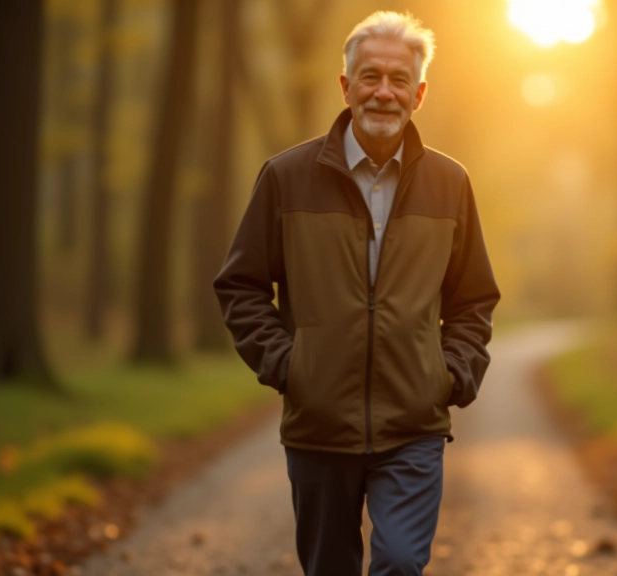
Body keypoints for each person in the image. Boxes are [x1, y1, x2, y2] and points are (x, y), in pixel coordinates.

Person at [213, 10, 500, 576]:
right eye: (370, 76)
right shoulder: (285, 177)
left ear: (418, 94)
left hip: (413, 424)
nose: (383, 93)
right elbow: (240, 286)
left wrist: (448, 375)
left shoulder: (451, 183)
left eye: (398, 80)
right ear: (345, 86)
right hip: (319, 426)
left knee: (397, 562)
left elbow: (473, 300)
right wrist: (290, 366)